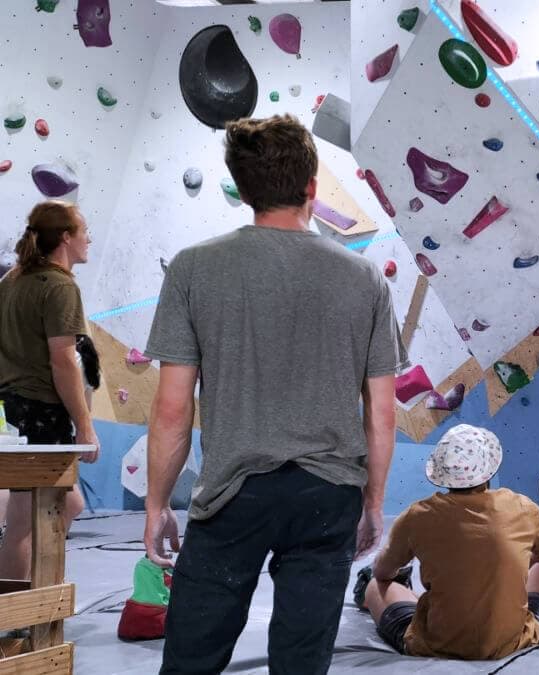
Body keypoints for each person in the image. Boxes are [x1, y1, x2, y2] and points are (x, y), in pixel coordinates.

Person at [141, 114, 399, 675]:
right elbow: (381, 414)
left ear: (242, 189)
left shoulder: (192, 269)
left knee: (190, 659)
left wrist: (157, 504)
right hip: (328, 494)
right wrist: (374, 503)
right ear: (311, 187)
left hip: (232, 492)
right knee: (301, 664)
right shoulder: (365, 279)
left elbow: (172, 408)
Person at [355, 424, 539, 660]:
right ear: (490, 468)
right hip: (513, 644)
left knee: (375, 584)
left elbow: (382, 571)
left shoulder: (418, 516)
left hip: (435, 645)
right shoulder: (524, 508)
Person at [0, 200, 98, 581]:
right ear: (66, 238)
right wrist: (85, 426)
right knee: (24, 522)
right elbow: (63, 362)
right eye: (84, 231)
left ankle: (37, 594)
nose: (89, 239)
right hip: (40, 410)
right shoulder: (59, 286)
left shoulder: (13, 280)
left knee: (69, 504)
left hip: (17, 408)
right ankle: (17, 608)